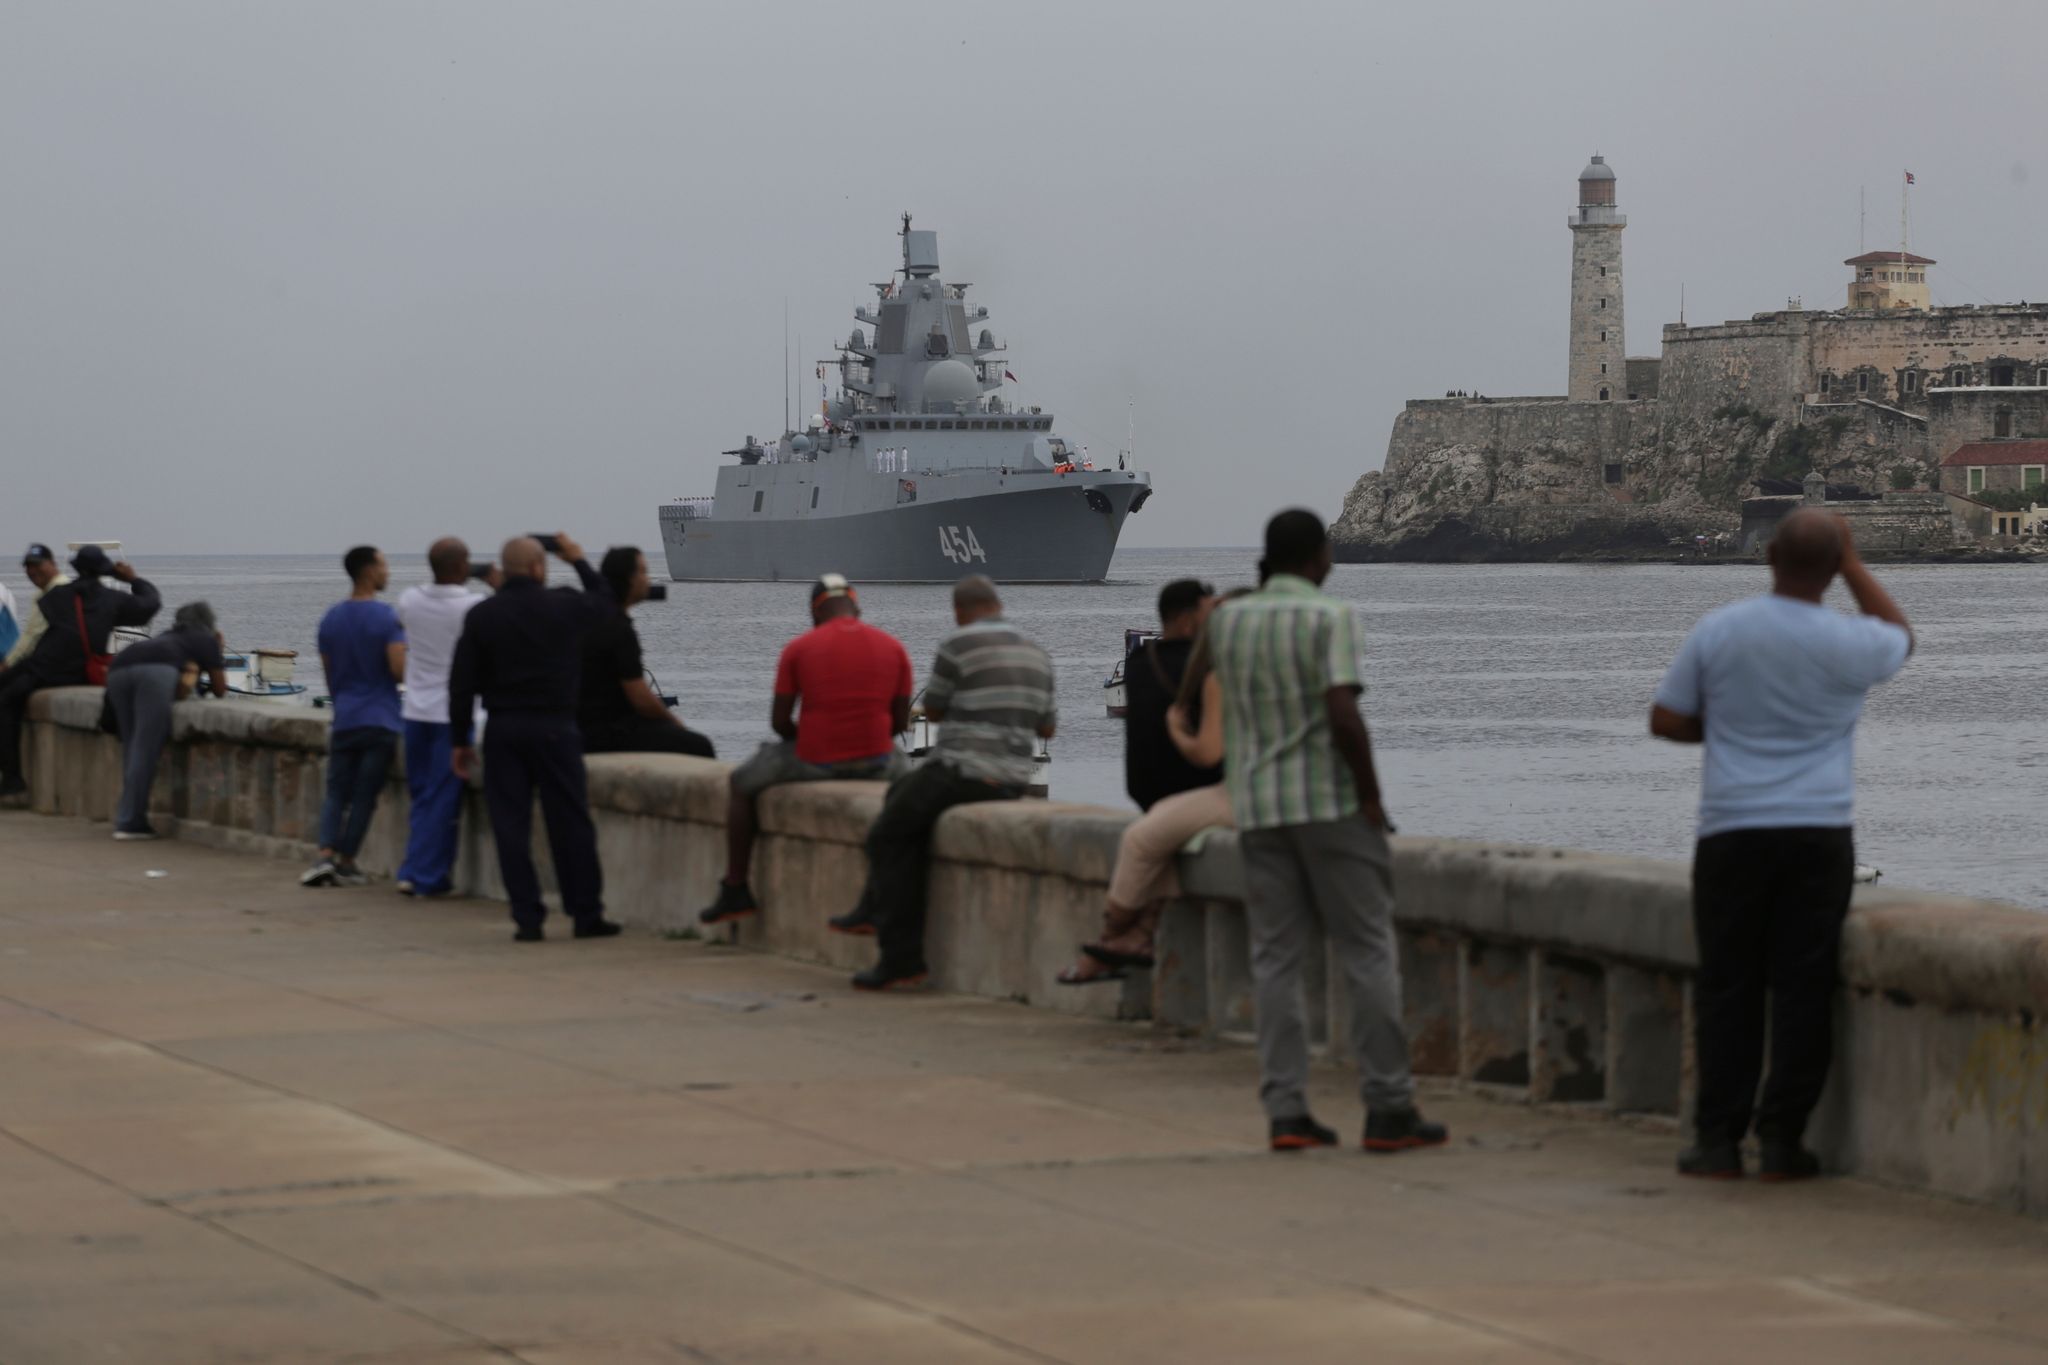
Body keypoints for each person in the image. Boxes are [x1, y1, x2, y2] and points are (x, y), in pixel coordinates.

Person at [1651, 509, 1912, 1182]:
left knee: (1728, 984)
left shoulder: (1721, 629)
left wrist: (1735, 737)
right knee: (1803, 986)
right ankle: (1781, 1139)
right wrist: (1852, 563)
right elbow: (1900, 637)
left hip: (1732, 828)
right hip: (1818, 832)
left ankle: (1715, 1141)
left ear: (1768, 556)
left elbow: (1667, 717)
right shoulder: (1849, 640)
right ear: (1832, 568)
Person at [1208, 510, 1446, 1155]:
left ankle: (1286, 1111)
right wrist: (1371, 796)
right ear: (1317, 556)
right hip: (1328, 806)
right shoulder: (1329, 617)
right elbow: (1343, 714)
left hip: (1259, 808)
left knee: (1276, 962)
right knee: (1368, 952)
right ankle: (1389, 1107)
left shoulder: (1228, 621)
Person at [833, 574, 1055, 991]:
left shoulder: (958, 645)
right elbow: (1047, 725)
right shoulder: (1037, 653)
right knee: (901, 797)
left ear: (959, 612)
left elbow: (932, 711)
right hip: (1013, 779)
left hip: (964, 772)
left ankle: (900, 957)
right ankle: (867, 908)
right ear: (998, 606)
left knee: (885, 834)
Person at [697, 573, 913, 925]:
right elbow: (900, 724)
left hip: (816, 759)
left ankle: (735, 887)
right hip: (878, 759)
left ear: (814, 613)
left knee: (740, 781)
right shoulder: (894, 648)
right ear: (856, 606)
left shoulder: (798, 649)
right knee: (911, 786)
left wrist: (812, 737)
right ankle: (881, 894)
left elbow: (780, 722)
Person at [449, 533, 621, 943]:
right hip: (555, 727)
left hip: (504, 729)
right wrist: (578, 559)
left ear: (503, 571)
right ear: (540, 568)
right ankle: (585, 914)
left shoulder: (483, 616)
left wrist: (459, 739)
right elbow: (605, 602)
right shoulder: (563, 606)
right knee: (571, 823)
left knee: (510, 826)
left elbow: (461, 685)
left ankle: (528, 918)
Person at [1058, 578, 1225, 985]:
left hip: (1152, 791)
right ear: (1189, 618)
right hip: (1202, 787)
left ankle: (1114, 940)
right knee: (1147, 843)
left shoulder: (1138, 665)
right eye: (1209, 611)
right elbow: (1209, 753)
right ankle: (1126, 939)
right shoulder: (1207, 668)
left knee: (1146, 841)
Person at [0, 545, 160, 808]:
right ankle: (11, 781)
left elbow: (46, 620)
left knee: (7, 698)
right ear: (105, 570)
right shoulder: (111, 599)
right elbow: (151, 604)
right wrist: (132, 579)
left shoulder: (59, 596)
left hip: (42, 665)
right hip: (71, 671)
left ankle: (13, 779)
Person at [394, 539, 496, 897]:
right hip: (455, 714)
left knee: (422, 793)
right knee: (441, 796)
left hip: (415, 710)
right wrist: (496, 581)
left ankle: (411, 868)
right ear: (463, 566)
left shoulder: (409, 600)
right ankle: (427, 876)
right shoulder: (473, 606)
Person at [302, 547, 406, 888]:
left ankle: (325, 855)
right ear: (369, 571)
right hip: (381, 720)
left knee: (336, 791)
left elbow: (330, 673)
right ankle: (347, 862)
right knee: (363, 795)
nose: (387, 571)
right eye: (383, 564)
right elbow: (398, 669)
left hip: (346, 716)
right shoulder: (387, 618)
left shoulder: (331, 618)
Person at [105, 601, 228, 839]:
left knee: (132, 747)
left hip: (120, 667)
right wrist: (217, 650)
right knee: (146, 748)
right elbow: (220, 689)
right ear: (208, 623)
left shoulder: (168, 635)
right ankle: (129, 823)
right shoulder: (206, 639)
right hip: (155, 672)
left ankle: (128, 815)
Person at [577, 546, 715, 759]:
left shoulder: (593, 617)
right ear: (629, 579)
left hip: (583, 726)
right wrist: (673, 721)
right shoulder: (619, 629)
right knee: (700, 746)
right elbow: (640, 697)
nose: (647, 579)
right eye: (643, 571)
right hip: (608, 732)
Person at [3, 544, 69, 670]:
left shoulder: (59, 591)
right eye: (28, 566)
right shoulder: (41, 593)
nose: (32, 571)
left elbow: (32, 637)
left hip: (54, 665)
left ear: (52, 563)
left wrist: (6, 665)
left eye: (37, 565)